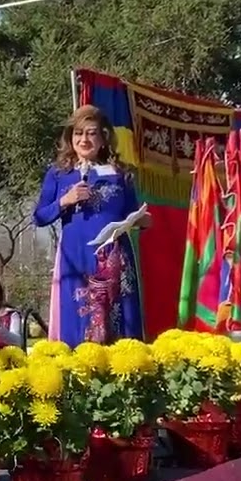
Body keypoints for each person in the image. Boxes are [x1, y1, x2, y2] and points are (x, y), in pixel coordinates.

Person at [33, 104, 150, 345]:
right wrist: (65, 200)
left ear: (103, 137)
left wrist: (142, 220)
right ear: (70, 137)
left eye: (91, 133)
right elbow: (40, 217)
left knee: (119, 321)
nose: (83, 139)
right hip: (75, 257)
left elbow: (132, 213)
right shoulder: (59, 173)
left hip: (115, 256)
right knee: (78, 319)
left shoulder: (121, 173)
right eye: (78, 133)